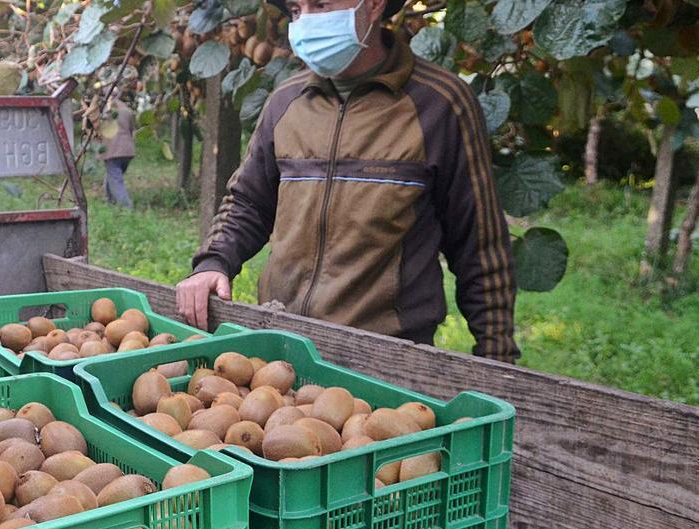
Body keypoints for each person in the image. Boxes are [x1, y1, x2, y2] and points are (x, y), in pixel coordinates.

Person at [176, 0, 520, 363]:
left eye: (321, 4)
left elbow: (479, 246)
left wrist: (497, 360)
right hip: (282, 347)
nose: (305, 21)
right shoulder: (286, 102)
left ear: (372, 5)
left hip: (387, 357)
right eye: (296, 10)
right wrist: (213, 262)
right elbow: (248, 202)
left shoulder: (440, 105)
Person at [98, 94, 136, 208]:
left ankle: (127, 207)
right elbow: (132, 130)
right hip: (127, 151)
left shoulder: (105, 113)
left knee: (115, 179)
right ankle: (109, 200)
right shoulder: (127, 111)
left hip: (112, 151)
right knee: (112, 175)